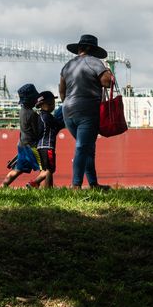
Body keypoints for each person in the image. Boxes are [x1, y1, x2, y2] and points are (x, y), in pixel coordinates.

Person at [59, 34, 113, 190]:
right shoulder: (95, 62)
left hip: (68, 111)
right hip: (87, 111)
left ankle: (93, 183)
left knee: (87, 147)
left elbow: (62, 91)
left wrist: (70, 104)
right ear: (90, 48)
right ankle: (76, 185)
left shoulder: (67, 65)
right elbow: (107, 83)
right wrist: (107, 71)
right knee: (82, 147)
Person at [1, 83, 41, 188]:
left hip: (22, 144)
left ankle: (3, 185)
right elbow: (36, 132)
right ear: (32, 100)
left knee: (18, 169)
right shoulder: (32, 114)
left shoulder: (22, 111)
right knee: (45, 168)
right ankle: (37, 185)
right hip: (31, 146)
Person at [26, 91, 65, 189]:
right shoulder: (47, 117)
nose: (52, 106)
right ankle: (34, 183)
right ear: (43, 105)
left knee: (46, 168)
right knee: (49, 170)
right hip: (47, 146)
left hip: (41, 147)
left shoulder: (40, 116)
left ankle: (48, 188)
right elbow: (57, 125)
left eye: (53, 104)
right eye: (51, 104)